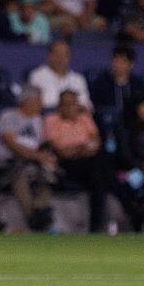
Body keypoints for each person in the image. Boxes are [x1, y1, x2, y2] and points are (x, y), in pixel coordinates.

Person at [0, 85, 55, 231]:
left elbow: (41, 146)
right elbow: (12, 144)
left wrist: (46, 157)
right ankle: (33, 219)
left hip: (31, 162)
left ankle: (42, 212)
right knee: (19, 173)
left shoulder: (37, 120)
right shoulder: (9, 116)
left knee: (46, 173)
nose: (41, 104)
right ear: (27, 101)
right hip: (5, 163)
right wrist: (37, 156)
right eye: (38, 100)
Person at [44, 89, 106, 232]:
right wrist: (82, 147)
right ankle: (99, 226)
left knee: (99, 171)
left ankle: (96, 226)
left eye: (74, 104)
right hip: (65, 165)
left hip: (88, 163)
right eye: (68, 104)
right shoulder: (51, 120)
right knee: (100, 171)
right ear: (60, 106)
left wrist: (77, 148)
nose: (72, 108)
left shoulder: (84, 118)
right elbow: (61, 151)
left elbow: (96, 144)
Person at [27, 39, 91, 110]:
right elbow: (33, 106)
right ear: (49, 56)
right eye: (57, 54)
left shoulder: (78, 79)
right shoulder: (37, 76)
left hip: (74, 117)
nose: (61, 58)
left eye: (64, 54)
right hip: (48, 116)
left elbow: (87, 106)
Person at [90, 45, 144, 115]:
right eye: (115, 61)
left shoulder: (138, 85)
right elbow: (95, 109)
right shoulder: (100, 84)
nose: (118, 65)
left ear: (131, 64)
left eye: (122, 62)